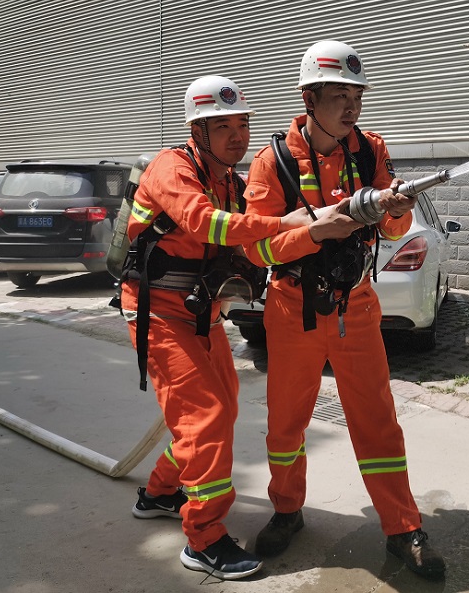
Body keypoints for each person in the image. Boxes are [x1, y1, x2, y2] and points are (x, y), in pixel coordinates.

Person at [242, 40, 446, 579]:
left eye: (357, 97)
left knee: (379, 422)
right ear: (309, 99)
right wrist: (314, 232)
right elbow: (256, 248)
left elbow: (395, 229)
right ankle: (287, 511)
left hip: (356, 305)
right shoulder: (271, 162)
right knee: (286, 425)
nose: (352, 107)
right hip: (293, 308)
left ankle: (403, 528)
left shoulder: (370, 151)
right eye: (339, 97)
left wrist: (397, 209)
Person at [120, 75, 314, 580]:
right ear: (196, 130)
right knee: (205, 417)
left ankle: (160, 493)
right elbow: (207, 224)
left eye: (242, 125)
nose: (237, 136)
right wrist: (287, 224)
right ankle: (203, 539)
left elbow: (251, 240)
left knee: (222, 406)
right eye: (222, 126)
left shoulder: (230, 179)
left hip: (199, 313)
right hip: (157, 314)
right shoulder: (172, 168)